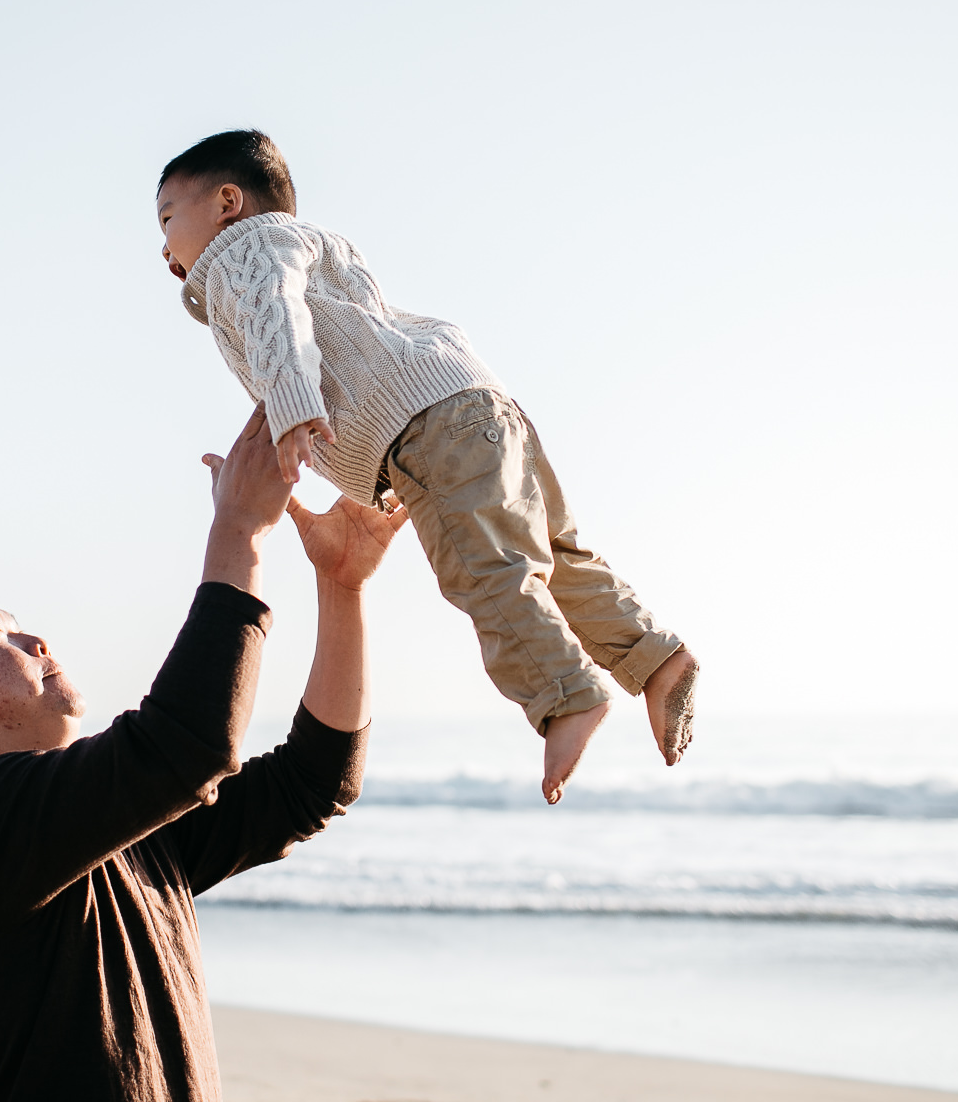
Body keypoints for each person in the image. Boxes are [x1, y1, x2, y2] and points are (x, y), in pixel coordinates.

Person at [0, 405, 409, 1101]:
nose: (38, 642)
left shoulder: (116, 829)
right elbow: (190, 740)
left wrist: (342, 586)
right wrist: (239, 531)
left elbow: (312, 784)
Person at [156, 130, 699, 804]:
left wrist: (294, 406)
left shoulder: (245, 252)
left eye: (168, 218)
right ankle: (653, 658)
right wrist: (367, 474)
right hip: (474, 405)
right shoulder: (314, 245)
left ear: (227, 203)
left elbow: (277, 316)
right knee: (552, 557)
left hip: (429, 427)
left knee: (484, 569)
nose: (164, 247)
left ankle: (567, 696)